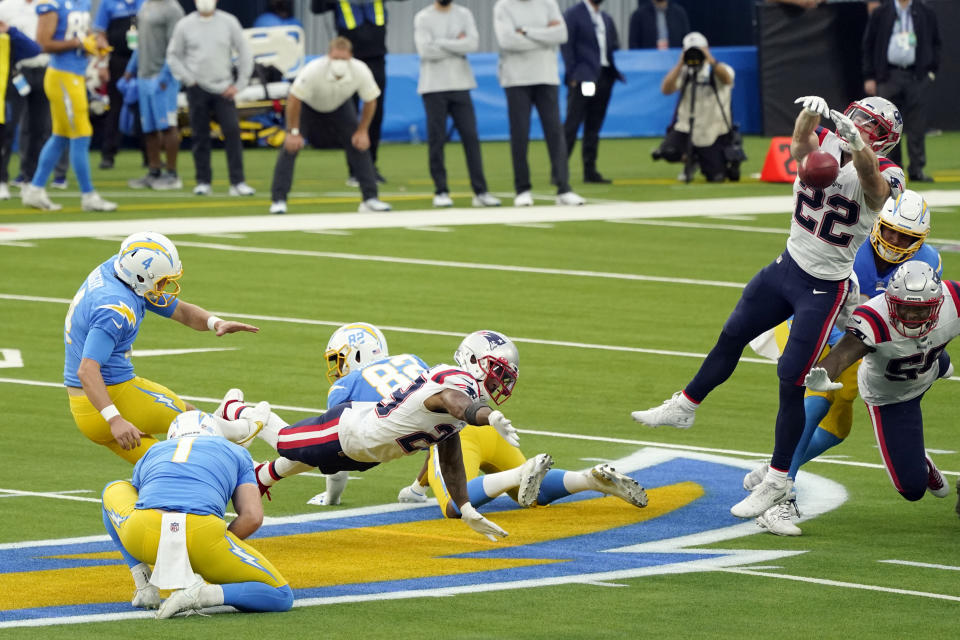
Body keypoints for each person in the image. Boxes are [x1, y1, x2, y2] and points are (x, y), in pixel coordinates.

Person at [632, 93, 906, 520]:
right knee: (732, 333)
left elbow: (873, 188)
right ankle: (685, 405)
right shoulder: (827, 141)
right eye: (856, 118)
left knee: (790, 378)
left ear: (884, 140)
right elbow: (798, 148)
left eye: (869, 125)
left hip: (823, 286)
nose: (855, 124)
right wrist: (806, 117)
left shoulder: (888, 171)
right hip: (786, 266)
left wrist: (859, 147)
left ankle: (778, 480)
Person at [250, 324, 646, 513]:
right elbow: (433, 423)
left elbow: (445, 411)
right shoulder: (416, 363)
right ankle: (588, 478)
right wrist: (417, 486)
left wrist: (485, 416)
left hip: (468, 426)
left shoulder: (358, 385)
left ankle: (242, 416)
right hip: (477, 427)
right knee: (534, 494)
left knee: (457, 504)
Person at [747, 189, 941, 536]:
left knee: (837, 429)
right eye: (891, 231)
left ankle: (773, 470)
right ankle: (779, 493)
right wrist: (859, 349)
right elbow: (827, 312)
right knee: (818, 400)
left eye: (906, 237)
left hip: (859, 338)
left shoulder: (927, 262)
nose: (895, 242)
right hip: (812, 324)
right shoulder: (850, 252)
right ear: (878, 224)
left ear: (921, 239)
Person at [223, 328, 534, 541]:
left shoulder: (462, 400)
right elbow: (457, 403)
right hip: (349, 430)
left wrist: (465, 507)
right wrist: (487, 415)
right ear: (474, 361)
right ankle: (239, 410)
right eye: (498, 371)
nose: (501, 381)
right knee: (285, 442)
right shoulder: (455, 381)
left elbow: (450, 456)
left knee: (305, 453)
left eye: (505, 376)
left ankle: (262, 473)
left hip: (368, 454)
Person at [64, 231, 260, 463]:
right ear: (140, 276)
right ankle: (240, 432)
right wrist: (114, 419)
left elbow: (181, 311)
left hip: (84, 410)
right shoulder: (115, 308)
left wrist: (216, 322)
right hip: (113, 396)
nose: (166, 285)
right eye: (162, 280)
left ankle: (240, 469)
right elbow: (87, 370)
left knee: (170, 466)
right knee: (195, 423)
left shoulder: (119, 272)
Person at [101, 410, 293, 619]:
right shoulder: (236, 452)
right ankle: (203, 595)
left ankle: (144, 585)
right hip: (203, 537)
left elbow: (139, 500)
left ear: (173, 435)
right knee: (281, 595)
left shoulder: (154, 451)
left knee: (113, 489)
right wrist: (213, 548)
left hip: (144, 534)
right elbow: (252, 517)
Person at [804, 261, 955, 506]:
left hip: (926, 364)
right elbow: (841, 356)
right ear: (890, 301)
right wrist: (823, 373)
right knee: (912, 489)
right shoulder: (874, 319)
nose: (913, 317)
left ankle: (939, 362)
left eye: (922, 310)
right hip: (892, 396)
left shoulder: (954, 299)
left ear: (938, 303)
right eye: (904, 308)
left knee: (924, 353)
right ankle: (922, 463)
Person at [268, 37, 390, 214]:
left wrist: (363, 130)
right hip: (309, 105)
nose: (339, 63)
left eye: (343, 59)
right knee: (290, 147)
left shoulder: (360, 70)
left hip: (340, 105)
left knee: (359, 145)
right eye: (336, 58)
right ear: (328, 56)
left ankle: (370, 198)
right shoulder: (313, 70)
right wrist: (293, 131)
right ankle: (278, 200)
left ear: (351, 57)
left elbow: (371, 100)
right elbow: (294, 99)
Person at [20, 0, 116, 212]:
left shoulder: (82, 3)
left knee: (61, 135)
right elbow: (42, 43)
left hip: (75, 75)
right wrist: (78, 43)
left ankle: (35, 189)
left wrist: (95, 42)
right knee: (81, 134)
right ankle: (88, 195)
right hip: (62, 76)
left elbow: (86, 33)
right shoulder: (53, 4)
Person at [494, 0, 584, 207]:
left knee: (555, 133)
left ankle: (564, 188)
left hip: (546, 76)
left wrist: (525, 31)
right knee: (520, 134)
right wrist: (544, 36)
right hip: (516, 78)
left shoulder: (548, 3)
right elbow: (507, 41)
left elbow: (561, 35)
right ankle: (522, 189)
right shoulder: (503, 6)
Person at [414, 0, 500, 208]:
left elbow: (472, 44)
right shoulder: (423, 17)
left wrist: (440, 42)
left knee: (471, 137)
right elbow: (425, 51)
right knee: (437, 140)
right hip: (433, 86)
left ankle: (480, 191)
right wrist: (455, 44)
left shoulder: (464, 14)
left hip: (461, 83)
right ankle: (441, 190)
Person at [312, 0, 408, 185]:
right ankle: (355, 170)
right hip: (347, 63)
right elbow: (316, 9)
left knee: (376, 114)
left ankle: (371, 166)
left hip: (376, 60)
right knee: (349, 116)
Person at [166, 0, 255, 197]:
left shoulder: (228, 22)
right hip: (197, 88)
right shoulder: (185, 25)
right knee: (199, 135)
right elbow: (173, 56)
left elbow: (245, 52)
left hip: (224, 88)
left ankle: (237, 182)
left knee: (232, 132)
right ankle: (203, 181)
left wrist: (239, 84)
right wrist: (188, 79)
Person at [862, 0, 940, 183]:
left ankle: (917, 169)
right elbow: (869, 45)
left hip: (916, 75)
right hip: (888, 75)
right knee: (887, 124)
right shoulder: (882, 12)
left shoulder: (925, 11)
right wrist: (869, 76)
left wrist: (931, 72)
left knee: (916, 125)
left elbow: (936, 43)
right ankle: (891, 168)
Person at [653, 32, 737, 183]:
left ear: (707, 49)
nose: (695, 54)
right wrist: (680, 63)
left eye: (698, 49)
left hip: (713, 130)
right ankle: (689, 160)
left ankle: (701, 160)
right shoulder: (685, 72)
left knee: (716, 177)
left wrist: (709, 59)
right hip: (686, 128)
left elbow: (727, 79)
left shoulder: (719, 69)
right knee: (667, 151)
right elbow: (666, 89)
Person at [561, 0, 624, 184]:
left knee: (594, 125)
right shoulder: (574, 14)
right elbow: (567, 44)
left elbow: (613, 44)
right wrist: (572, 73)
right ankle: (560, 170)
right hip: (585, 78)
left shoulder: (605, 18)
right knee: (574, 122)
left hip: (604, 77)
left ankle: (590, 170)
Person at [125, 0, 184, 191]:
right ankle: (154, 171)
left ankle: (172, 174)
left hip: (162, 76)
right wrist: (130, 68)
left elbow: (177, 46)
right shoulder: (145, 6)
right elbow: (141, 42)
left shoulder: (172, 9)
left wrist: (166, 74)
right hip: (144, 75)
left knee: (167, 125)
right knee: (149, 126)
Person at [91, 0, 141, 170]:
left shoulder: (146, 2)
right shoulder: (108, 3)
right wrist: (103, 63)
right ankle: (108, 155)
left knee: (146, 110)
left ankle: (152, 158)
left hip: (144, 60)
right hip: (118, 60)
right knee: (115, 109)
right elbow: (100, 34)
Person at [0, 16, 42, 199]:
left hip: (6, 89)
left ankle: (4, 180)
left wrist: (10, 30)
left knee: (7, 134)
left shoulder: (6, 37)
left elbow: (34, 49)